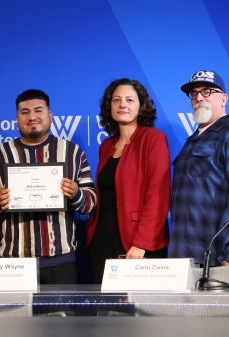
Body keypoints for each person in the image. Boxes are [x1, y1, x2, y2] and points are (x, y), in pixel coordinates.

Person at [0, 89, 96, 284]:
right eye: (25, 112)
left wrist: (76, 193)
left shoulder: (72, 153)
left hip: (61, 262)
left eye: (38, 110)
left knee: (61, 315)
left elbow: (90, 203)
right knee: (16, 316)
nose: (32, 117)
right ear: (17, 117)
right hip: (14, 263)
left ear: (50, 115)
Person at [168, 70, 229, 268]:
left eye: (207, 91)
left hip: (223, 259)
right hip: (189, 256)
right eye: (194, 93)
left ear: (224, 99)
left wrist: (227, 248)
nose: (199, 97)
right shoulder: (193, 140)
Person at [86, 78, 171, 283]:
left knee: (138, 310)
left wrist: (141, 243)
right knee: (106, 308)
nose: (122, 104)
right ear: (109, 106)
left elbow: (158, 196)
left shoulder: (153, 139)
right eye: (116, 100)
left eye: (129, 100)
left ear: (141, 106)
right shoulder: (106, 145)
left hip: (137, 240)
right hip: (103, 236)